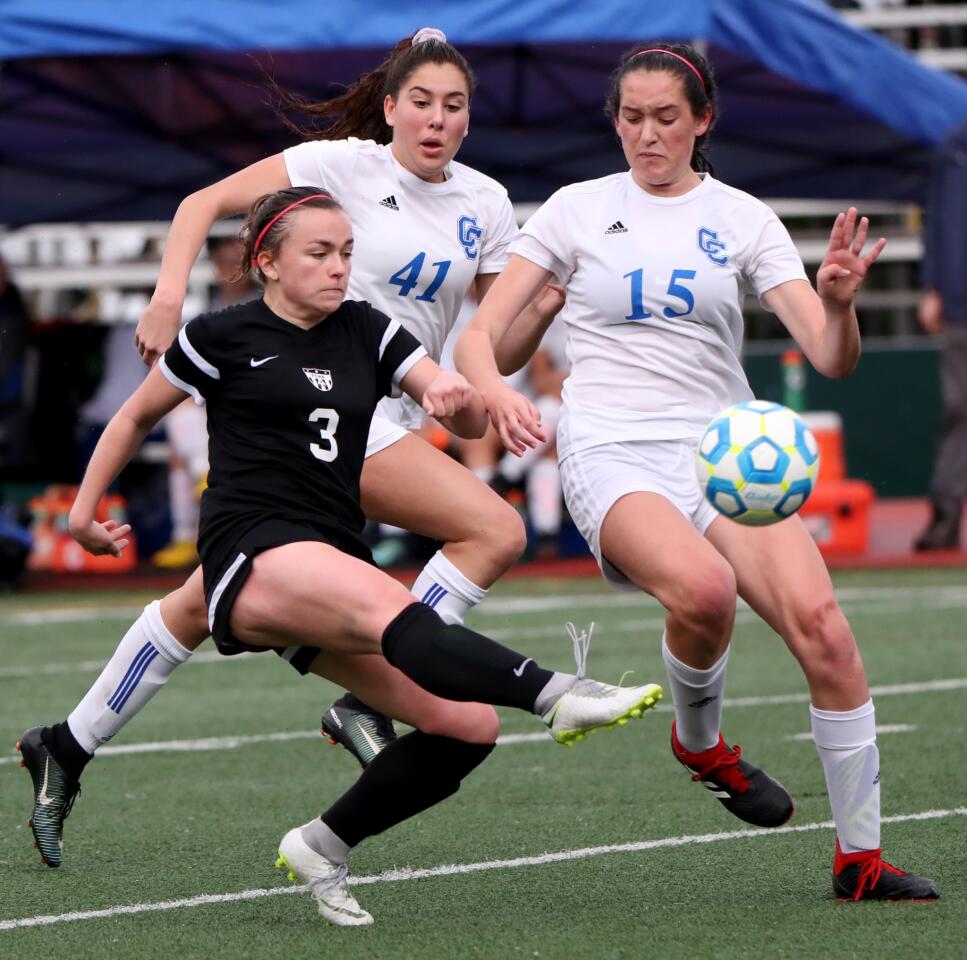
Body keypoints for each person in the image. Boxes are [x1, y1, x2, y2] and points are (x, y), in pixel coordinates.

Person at [19, 190, 661, 922]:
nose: (338, 268)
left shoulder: (363, 328)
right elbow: (135, 414)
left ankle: (322, 844)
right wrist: (81, 511)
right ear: (266, 262)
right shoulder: (220, 335)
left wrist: (457, 395)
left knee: (467, 728)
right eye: (319, 254)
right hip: (251, 544)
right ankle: (554, 694)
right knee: (386, 603)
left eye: (347, 253)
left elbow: (444, 392)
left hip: (326, 550)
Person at [15, 28, 572, 866]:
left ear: (469, 119)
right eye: (419, 101)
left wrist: (525, 336)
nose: (436, 119)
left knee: (209, 602)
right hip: (338, 406)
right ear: (388, 109)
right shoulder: (341, 164)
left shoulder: (487, 203)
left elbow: (482, 346)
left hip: (393, 400)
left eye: (454, 105)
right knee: (492, 529)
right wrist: (167, 296)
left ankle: (67, 741)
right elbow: (199, 204)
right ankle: (377, 694)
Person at [456, 43, 939, 902]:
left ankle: (859, 862)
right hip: (608, 444)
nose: (646, 135)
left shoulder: (744, 218)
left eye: (665, 118)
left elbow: (830, 358)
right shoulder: (574, 209)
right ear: (614, 121)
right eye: (631, 118)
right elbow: (476, 336)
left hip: (721, 450)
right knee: (704, 591)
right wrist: (493, 388)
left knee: (824, 630)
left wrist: (837, 302)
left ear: (702, 120)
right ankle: (702, 744)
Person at [152, 238, 258, 570]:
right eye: (223, 262)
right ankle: (186, 534)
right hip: (214, 402)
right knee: (179, 421)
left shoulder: (264, 302)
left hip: (253, 403)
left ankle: (199, 488)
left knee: (193, 432)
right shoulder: (208, 308)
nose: (230, 270)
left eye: (237, 261)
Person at [914, 117, 967, 551]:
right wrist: (932, 285)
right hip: (960, 304)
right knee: (960, 409)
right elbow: (938, 221)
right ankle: (946, 515)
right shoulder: (952, 147)